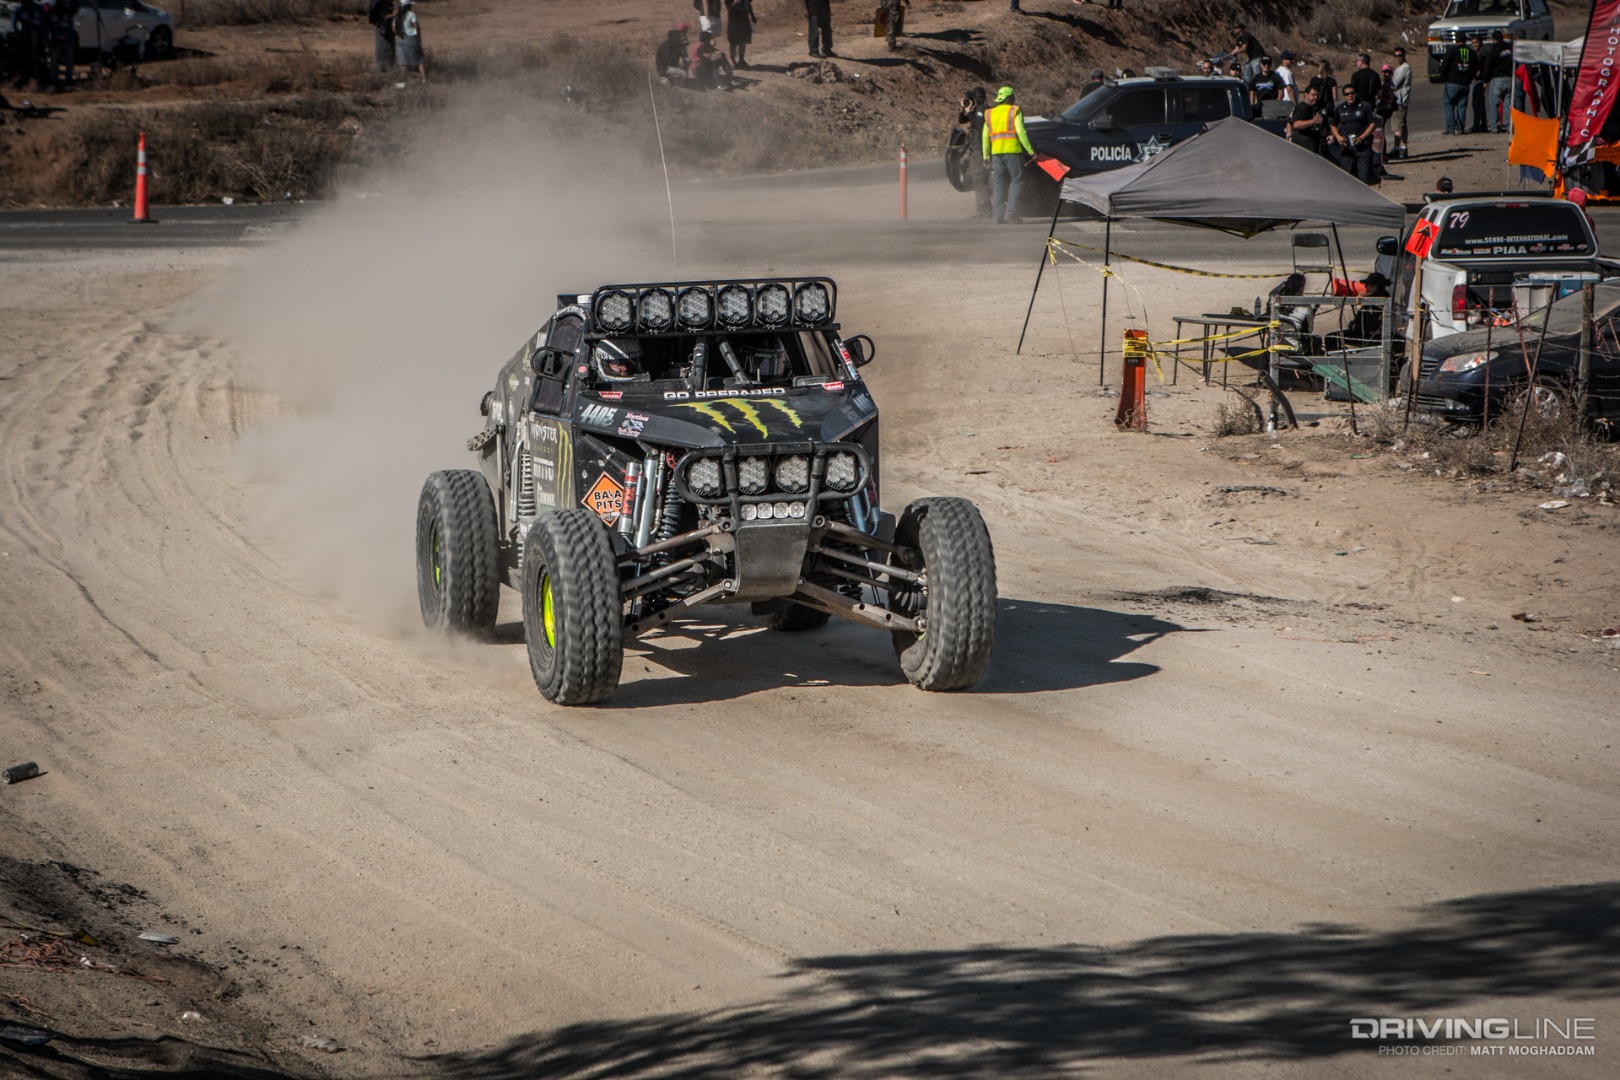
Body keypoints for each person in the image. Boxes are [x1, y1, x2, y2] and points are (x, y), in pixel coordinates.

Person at [982, 85, 1034, 225]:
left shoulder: (989, 113)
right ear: (1009, 98)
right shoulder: (1014, 110)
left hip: (996, 153)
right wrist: (1030, 151)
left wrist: (986, 156)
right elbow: (1021, 132)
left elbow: (985, 137)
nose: (1015, 99)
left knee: (999, 182)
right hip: (1013, 152)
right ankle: (1011, 214)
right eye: (1013, 97)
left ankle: (997, 215)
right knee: (1017, 180)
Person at [1330, 83, 1377, 184]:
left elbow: (1372, 124)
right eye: (1347, 94)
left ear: (1356, 93)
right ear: (1344, 96)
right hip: (1347, 147)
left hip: (1363, 146)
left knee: (1363, 176)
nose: (1350, 96)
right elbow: (1333, 125)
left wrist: (1362, 137)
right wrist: (1338, 137)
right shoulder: (1340, 109)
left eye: (1352, 93)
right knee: (1346, 176)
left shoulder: (1365, 106)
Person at [958, 86, 992, 218]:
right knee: (977, 179)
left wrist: (970, 112)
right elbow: (961, 121)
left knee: (979, 179)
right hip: (976, 149)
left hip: (981, 149)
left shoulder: (983, 109)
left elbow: (978, 125)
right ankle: (982, 210)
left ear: (976, 99)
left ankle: (985, 211)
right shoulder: (977, 109)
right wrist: (964, 110)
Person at [1438, 35, 1478, 135]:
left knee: (1448, 105)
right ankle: (1460, 128)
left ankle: (1451, 128)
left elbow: (1444, 65)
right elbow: (1476, 67)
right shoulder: (1471, 52)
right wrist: (1469, 78)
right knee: (1462, 106)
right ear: (1465, 41)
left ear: (1456, 41)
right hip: (1465, 83)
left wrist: (1443, 77)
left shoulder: (1452, 51)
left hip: (1452, 82)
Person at [1483, 29, 1512, 132]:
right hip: (1509, 78)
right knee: (1507, 104)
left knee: (1494, 103)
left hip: (1497, 79)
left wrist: (1485, 80)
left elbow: (1488, 65)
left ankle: (1495, 127)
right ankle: (1509, 126)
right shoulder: (1509, 48)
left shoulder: (1494, 50)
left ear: (1493, 40)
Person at [1288, 83, 1328, 157]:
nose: (1315, 97)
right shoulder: (1302, 108)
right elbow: (1296, 124)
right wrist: (1312, 121)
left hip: (1313, 146)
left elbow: (1289, 122)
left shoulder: (1311, 108)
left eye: (1317, 95)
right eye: (1313, 95)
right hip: (1303, 149)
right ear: (1306, 95)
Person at [1388, 47, 1411, 159]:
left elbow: (1395, 83)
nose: (1398, 58)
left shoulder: (1404, 67)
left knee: (1397, 126)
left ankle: (1397, 149)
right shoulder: (1400, 68)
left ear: (1404, 55)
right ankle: (1403, 148)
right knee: (1402, 126)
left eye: (1400, 55)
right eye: (1396, 56)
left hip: (1399, 101)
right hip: (1401, 101)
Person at [394, 0, 425, 83]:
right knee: (419, 60)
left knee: (403, 62)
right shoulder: (411, 14)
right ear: (408, 6)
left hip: (401, 39)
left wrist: (399, 34)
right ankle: (423, 79)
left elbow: (394, 28)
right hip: (411, 38)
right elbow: (416, 26)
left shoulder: (397, 15)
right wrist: (419, 37)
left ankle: (403, 81)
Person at [724, 0, 755, 68]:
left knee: (743, 41)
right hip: (734, 21)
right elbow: (728, 7)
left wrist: (752, 15)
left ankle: (741, 60)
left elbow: (748, 4)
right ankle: (732, 60)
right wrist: (735, 3)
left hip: (744, 20)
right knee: (733, 42)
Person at [368, 0, 395, 73]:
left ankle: (388, 67)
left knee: (388, 49)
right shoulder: (382, 6)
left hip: (387, 30)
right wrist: (396, 14)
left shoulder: (389, 5)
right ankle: (382, 67)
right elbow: (384, 16)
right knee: (382, 48)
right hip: (383, 30)